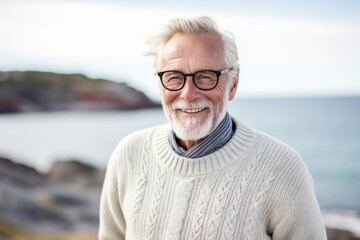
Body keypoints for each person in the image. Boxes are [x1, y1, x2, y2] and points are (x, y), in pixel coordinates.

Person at [99, 16, 327, 240]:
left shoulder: (282, 168)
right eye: (174, 77)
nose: (188, 94)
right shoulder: (129, 154)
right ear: (160, 84)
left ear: (233, 84)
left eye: (206, 77)